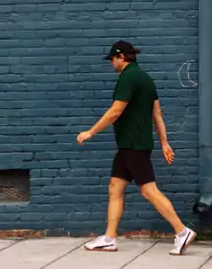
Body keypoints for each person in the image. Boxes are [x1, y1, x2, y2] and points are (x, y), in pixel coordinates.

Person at [76, 40, 197, 255]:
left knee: (148, 190)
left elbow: (116, 111)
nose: (111, 63)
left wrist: (90, 132)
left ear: (121, 57)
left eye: (112, 59)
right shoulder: (145, 78)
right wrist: (164, 142)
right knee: (115, 187)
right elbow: (157, 114)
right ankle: (109, 238)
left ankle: (182, 231)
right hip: (129, 145)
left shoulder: (128, 77)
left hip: (134, 145)